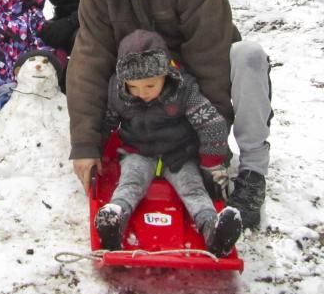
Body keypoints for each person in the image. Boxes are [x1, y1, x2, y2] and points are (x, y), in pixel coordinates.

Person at [67, 0, 271, 229]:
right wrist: (86, 144)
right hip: (147, 95)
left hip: (198, 89)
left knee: (247, 56)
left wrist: (211, 150)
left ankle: (252, 173)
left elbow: (212, 62)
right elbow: (88, 65)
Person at [94, 30, 242, 256]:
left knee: (193, 189)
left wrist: (210, 165)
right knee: (130, 184)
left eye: (150, 86)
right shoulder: (118, 92)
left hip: (178, 154)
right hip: (138, 151)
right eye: (133, 87)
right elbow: (107, 123)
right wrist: (95, 149)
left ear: (166, 74)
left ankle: (213, 229)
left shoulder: (183, 90)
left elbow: (210, 123)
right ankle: (114, 219)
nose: (141, 93)